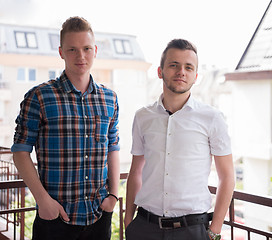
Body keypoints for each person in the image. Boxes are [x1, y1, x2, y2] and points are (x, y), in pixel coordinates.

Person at [11, 16, 120, 240]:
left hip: (99, 215)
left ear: (95, 50)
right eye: (72, 49)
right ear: (61, 52)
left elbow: (113, 147)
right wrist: (43, 201)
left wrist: (114, 197)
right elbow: (20, 151)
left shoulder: (110, 98)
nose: (81, 56)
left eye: (87, 48)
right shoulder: (40, 96)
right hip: (55, 218)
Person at [124, 39, 235, 240]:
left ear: (195, 76)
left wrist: (215, 229)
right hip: (144, 227)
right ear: (160, 71)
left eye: (188, 67)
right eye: (174, 65)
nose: (181, 71)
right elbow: (136, 171)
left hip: (192, 230)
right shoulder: (143, 117)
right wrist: (128, 220)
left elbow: (227, 177)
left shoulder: (212, 118)